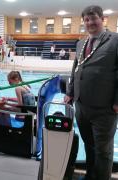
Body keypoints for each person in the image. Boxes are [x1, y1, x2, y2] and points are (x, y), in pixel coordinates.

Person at [64, 5, 118, 180]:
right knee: (88, 144)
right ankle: (90, 175)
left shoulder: (115, 41)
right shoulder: (81, 43)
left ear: (102, 19)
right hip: (81, 105)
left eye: (93, 18)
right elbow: (75, 70)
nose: (90, 22)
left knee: (103, 150)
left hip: (105, 108)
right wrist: (70, 92)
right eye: (86, 20)